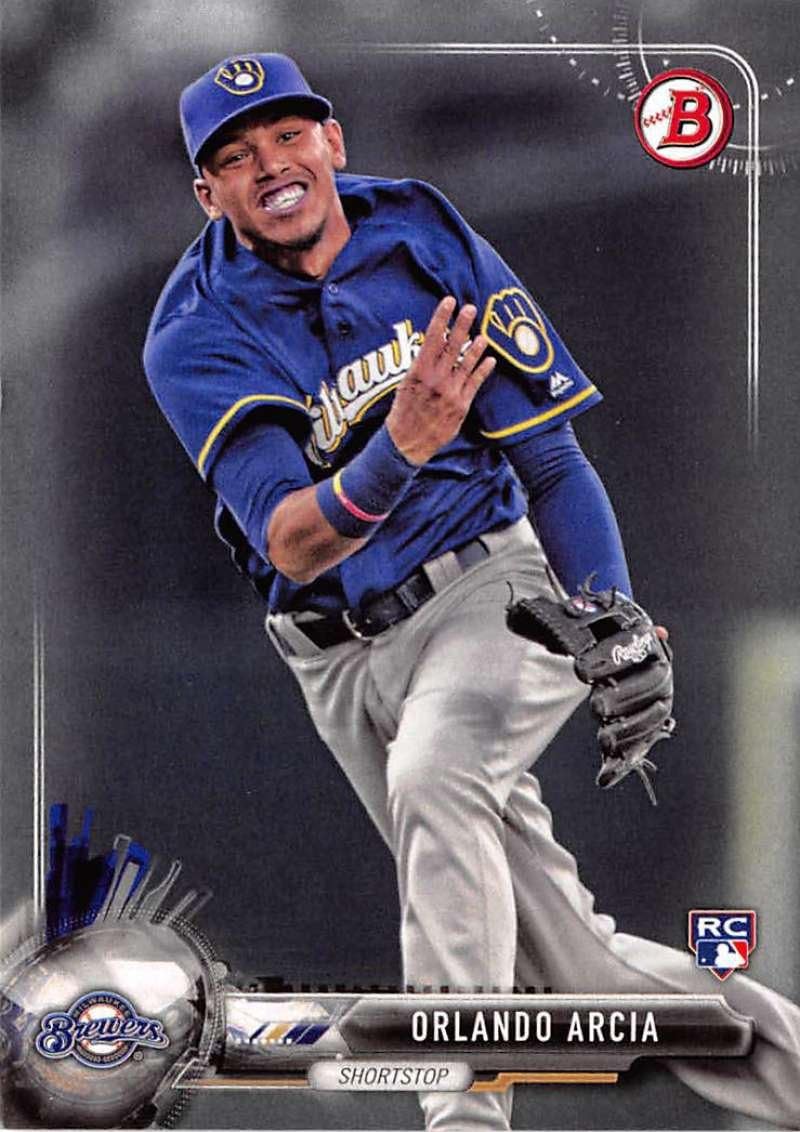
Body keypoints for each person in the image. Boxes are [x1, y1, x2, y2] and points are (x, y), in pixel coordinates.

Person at [144, 53, 800, 1130]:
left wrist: (610, 609)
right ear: (207, 193)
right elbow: (293, 544)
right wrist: (398, 448)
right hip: (333, 657)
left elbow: (550, 460)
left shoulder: (420, 233)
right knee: (584, 977)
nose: (271, 165)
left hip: (488, 591)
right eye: (235, 155)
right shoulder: (195, 328)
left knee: (436, 773)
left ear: (332, 140)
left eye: (288, 134)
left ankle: (460, 1118)